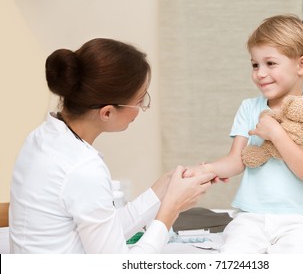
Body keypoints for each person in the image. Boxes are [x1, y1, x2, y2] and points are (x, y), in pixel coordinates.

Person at [9, 38, 215, 254]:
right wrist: (170, 210)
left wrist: (162, 190)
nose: (143, 108)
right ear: (107, 112)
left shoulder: (40, 138)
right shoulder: (82, 168)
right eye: (140, 101)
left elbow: (105, 232)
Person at [184, 14, 303, 253]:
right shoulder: (249, 108)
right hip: (251, 217)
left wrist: (276, 133)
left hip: (299, 220)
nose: (260, 73)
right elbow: (236, 160)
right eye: (255, 64)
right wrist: (206, 170)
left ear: (302, 65)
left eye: (270, 63)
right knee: (234, 257)